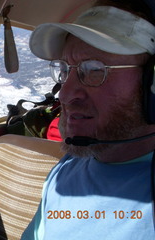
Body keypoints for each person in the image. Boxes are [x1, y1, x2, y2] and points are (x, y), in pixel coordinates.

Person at [21, 0, 155, 239]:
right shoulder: (65, 169)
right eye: (65, 69)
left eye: (94, 68)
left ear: (151, 86)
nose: (65, 94)